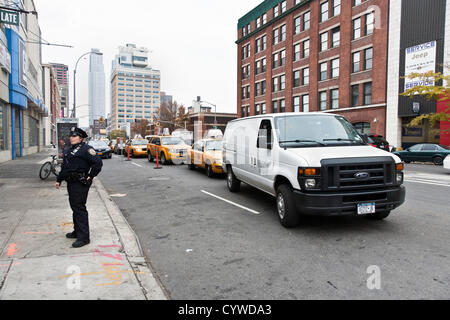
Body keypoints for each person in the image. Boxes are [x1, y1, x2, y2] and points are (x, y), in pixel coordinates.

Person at [55, 127, 103, 248]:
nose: (71, 138)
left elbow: (97, 163)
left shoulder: (86, 149)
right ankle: (77, 231)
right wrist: (59, 179)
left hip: (80, 183)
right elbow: (65, 167)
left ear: (81, 138)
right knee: (74, 207)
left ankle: (84, 237)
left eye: (74, 136)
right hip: (70, 182)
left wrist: (90, 176)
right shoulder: (69, 150)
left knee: (79, 208)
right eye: (71, 136)